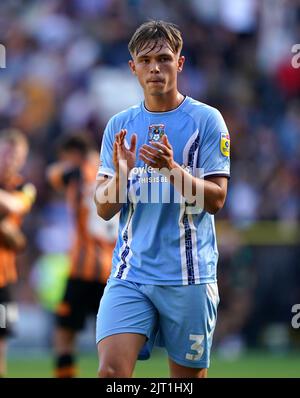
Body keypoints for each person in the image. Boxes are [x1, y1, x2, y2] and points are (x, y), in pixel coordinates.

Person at [94, 20, 230, 378]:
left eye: (165, 58)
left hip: (189, 277)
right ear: (132, 68)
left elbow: (217, 200)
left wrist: (172, 170)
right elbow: (104, 208)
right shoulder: (119, 126)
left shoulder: (207, 121)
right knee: (110, 374)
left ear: (180, 63)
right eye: (146, 60)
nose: (155, 67)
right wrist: (122, 175)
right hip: (130, 273)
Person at [47, 133, 117, 378]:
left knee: (64, 335)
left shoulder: (76, 174)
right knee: (113, 340)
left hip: (82, 269)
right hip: (112, 271)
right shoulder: (112, 172)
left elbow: (53, 174)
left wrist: (68, 167)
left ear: (73, 154)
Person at [0, 128, 36, 377]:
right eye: (6, 154)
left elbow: (16, 205)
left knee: (0, 342)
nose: (11, 160)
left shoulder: (25, 187)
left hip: (4, 277)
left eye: (17, 156)